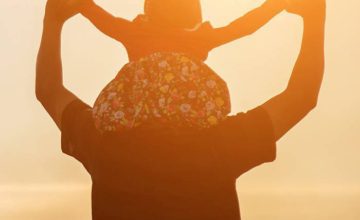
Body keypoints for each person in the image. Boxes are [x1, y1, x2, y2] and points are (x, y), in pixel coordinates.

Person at [35, 0, 326, 219]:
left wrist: (53, 22)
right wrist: (314, 20)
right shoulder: (221, 146)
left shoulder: (103, 143)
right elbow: (302, 96)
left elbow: (48, 90)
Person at [78, 0, 286, 133]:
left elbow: (102, 19)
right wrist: (276, 5)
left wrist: (79, 5)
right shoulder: (198, 37)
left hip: (140, 117)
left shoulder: (137, 33)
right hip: (188, 117)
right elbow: (242, 27)